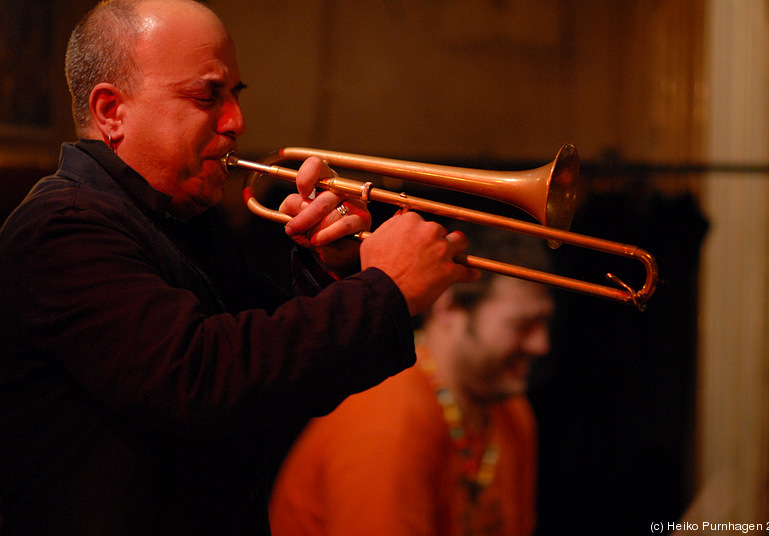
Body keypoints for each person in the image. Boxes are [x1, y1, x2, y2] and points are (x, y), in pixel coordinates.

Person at [0, 1, 475, 534]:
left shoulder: (180, 219)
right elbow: (201, 379)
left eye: (235, 95)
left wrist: (334, 266)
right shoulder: (61, 226)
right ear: (112, 111)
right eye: (208, 96)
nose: (237, 122)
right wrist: (384, 289)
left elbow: (285, 378)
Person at [269, 226, 554, 536]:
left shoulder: (511, 410)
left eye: (543, 321)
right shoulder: (388, 424)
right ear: (449, 308)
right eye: (522, 325)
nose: (541, 345)